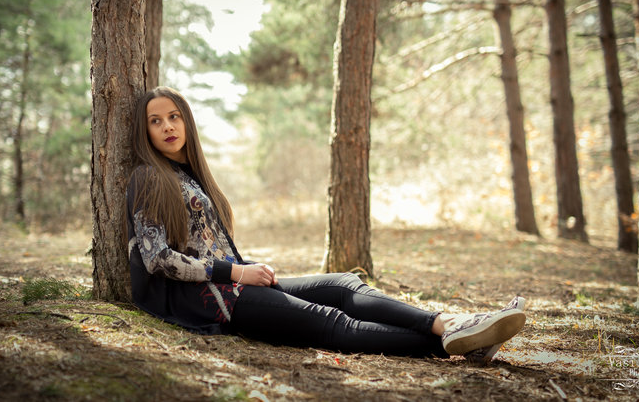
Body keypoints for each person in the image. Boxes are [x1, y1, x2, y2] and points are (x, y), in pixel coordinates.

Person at [126, 86, 526, 361]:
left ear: (187, 122)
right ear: (145, 131)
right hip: (210, 301)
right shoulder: (148, 178)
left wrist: (242, 271)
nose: (168, 127)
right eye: (156, 121)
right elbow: (156, 258)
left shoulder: (192, 175)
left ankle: (448, 324)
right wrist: (235, 272)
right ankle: (455, 343)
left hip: (234, 285)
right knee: (331, 322)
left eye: (174, 117)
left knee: (343, 284)